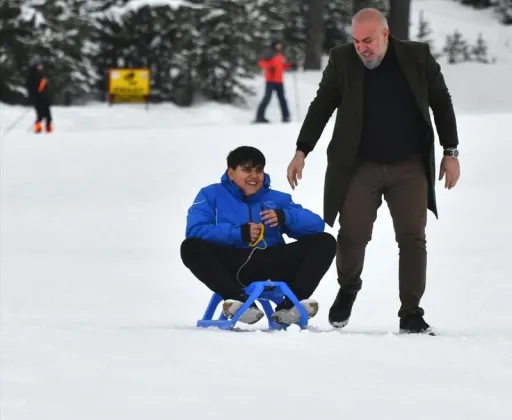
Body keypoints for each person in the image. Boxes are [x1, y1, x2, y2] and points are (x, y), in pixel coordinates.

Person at [286, 7, 461, 335]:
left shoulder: (417, 57)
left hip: (409, 165)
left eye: (368, 40)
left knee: (412, 238)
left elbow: (441, 101)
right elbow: (322, 105)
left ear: (385, 34)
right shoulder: (342, 61)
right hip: (359, 165)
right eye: (356, 41)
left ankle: (411, 312)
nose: (362, 47)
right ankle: (349, 287)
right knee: (352, 236)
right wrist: (301, 150)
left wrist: (450, 151)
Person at [180, 146, 336, 327]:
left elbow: (317, 225)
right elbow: (195, 230)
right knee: (190, 247)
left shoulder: (277, 199)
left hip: (273, 260)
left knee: (325, 241)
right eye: (246, 170)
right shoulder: (211, 195)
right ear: (231, 173)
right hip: (235, 264)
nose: (254, 176)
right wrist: (238, 233)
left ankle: (291, 305)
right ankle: (239, 301)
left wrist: (285, 216)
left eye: (259, 170)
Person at [254, 40, 292, 123]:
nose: (280, 46)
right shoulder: (269, 52)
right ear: (274, 45)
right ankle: (259, 117)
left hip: (279, 80)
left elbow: (281, 65)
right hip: (270, 80)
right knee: (267, 98)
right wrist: (270, 66)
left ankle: (286, 117)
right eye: (278, 45)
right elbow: (261, 63)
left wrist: (290, 65)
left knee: (282, 99)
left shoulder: (279, 54)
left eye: (280, 45)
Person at [25, 60, 53, 133]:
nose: (41, 67)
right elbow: (30, 87)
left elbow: (45, 87)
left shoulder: (42, 75)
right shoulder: (32, 75)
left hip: (44, 98)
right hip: (37, 99)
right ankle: (38, 129)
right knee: (40, 115)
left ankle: (49, 129)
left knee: (48, 115)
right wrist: (35, 93)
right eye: (39, 66)